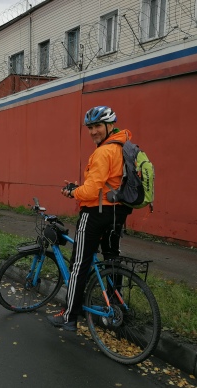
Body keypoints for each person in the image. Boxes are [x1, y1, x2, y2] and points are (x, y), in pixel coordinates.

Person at [47, 106, 133, 331]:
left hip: (96, 213)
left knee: (79, 264)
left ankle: (69, 316)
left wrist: (73, 192)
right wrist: (81, 188)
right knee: (112, 260)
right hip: (117, 213)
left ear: (110, 125)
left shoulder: (103, 152)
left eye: (97, 126)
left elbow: (92, 191)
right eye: (90, 127)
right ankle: (115, 309)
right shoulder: (123, 146)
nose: (93, 131)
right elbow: (107, 184)